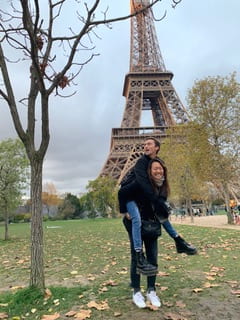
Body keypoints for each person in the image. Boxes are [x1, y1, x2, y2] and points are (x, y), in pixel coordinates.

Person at [118, 138, 197, 275]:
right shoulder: (141, 162)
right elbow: (142, 185)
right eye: (144, 144)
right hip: (130, 195)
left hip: (143, 197)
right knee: (136, 218)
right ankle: (138, 254)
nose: (145, 146)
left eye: (149, 144)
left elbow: (161, 185)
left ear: (157, 148)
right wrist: (124, 210)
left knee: (162, 214)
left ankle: (179, 241)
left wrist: (161, 203)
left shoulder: (157, 163)